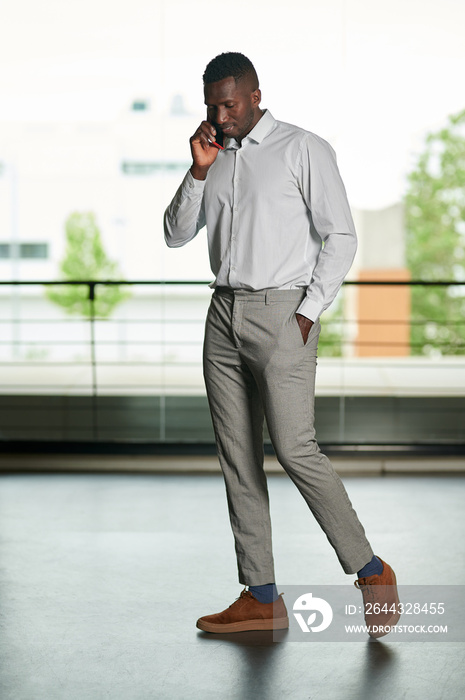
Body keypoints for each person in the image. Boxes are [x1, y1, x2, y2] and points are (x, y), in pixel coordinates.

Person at [164, 52, 400, 638]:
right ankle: (262, 594)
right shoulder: (211, 156)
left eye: (230, 103)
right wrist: (197, 171)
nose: (220, 115)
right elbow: (174, 235)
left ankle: (371, 571)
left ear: (255, 95)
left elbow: (340, 236)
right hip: (222, 314)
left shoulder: (303, 148)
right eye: (212, 104)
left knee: (296, 450)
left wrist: (307, 312)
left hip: (283, 312)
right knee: (238, 455)